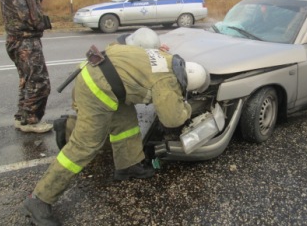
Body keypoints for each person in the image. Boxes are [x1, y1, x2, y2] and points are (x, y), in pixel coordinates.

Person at [23, 28, 209, 225]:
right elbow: (172, 119)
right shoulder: (167, 81)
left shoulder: (165, 57)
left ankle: (128, 166)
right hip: (96, 87)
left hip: (105, 76)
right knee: (86, 145)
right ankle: (39, 199)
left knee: (126, 124)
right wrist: (186, 108)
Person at [0, 0, 53, 133]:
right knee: (39, 81)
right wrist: (41, 23)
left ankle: (22, 118)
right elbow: (27, 11)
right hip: (25, 39)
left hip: (19, 38)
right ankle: (31, 121)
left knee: (27, 80)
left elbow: (34, 1)